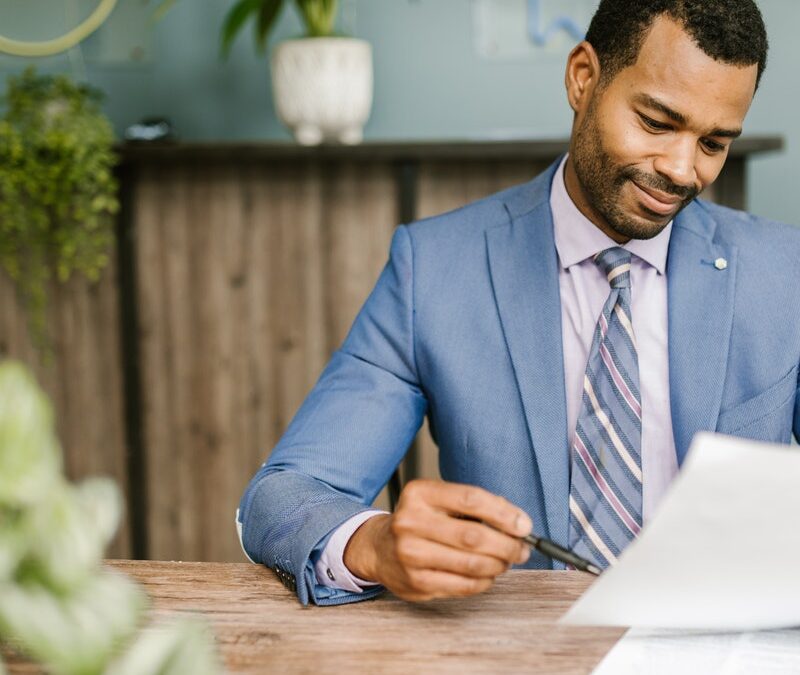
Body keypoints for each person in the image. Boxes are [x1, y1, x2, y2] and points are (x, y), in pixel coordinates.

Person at [237, 0, 800, 606]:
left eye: (713, 142)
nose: (681, 170)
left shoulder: (785, 272)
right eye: (657, 123)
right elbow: (282, 495)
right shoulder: (434, 270)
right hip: (518, 653)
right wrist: (373, 543)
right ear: (583, 77)